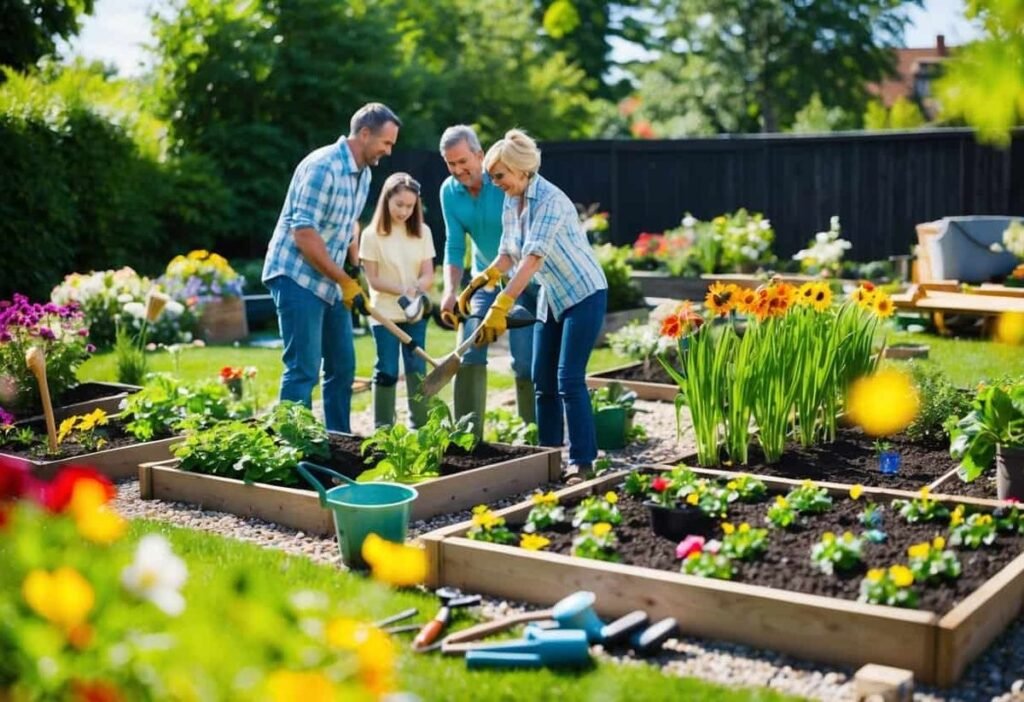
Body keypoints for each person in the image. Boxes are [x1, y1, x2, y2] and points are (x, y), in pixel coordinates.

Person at [459, 129, 608, 481]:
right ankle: (548, 457)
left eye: (499, 175)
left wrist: (501, 305)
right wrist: (481, 280)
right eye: (493, 177)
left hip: (583, 293)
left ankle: (583, 462)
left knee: (568, 378)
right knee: (542, 379)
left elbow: (532, 259)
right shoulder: (513, 199)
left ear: (521, 170)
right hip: (550, 296)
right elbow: (508, 253)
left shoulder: (550, 201)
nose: (495, 183)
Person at [262, 102, 400, 432]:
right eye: (386, 142)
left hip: (331, 280)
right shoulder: (323, 167)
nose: (389, 151)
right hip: (296, 276)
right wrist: (343, 280)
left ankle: (338, 440)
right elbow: (303, 233)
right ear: (364, 134)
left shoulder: (364, 174)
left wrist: (354, 271)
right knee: (303, 369)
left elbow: (348, 223)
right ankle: (293, 444)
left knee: (342, 367)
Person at [439, 125, 537, 439]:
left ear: (480, 155)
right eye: (450, 164)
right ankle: (468, 440)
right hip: (485, 280)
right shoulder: (449, 192)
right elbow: (455, 245)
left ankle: (533, 437)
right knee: (468, 350)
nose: (458, 170)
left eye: (463, 161)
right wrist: (450, 291)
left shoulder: (503, 181)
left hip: (523, 281)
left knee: (525, 363)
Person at [359, 173, 435, 428]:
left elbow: (428, 274)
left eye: (410, 206)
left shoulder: (422, 232)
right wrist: (402, 289)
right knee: (387, 369)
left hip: (415, 313)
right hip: (384, 315)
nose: (404, 211)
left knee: (417, 368)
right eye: (399, 204)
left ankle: (420, 428)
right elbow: (373, 280)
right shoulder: (371, 235)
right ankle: (383, 429)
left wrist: (416, 289)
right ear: (386, 200)